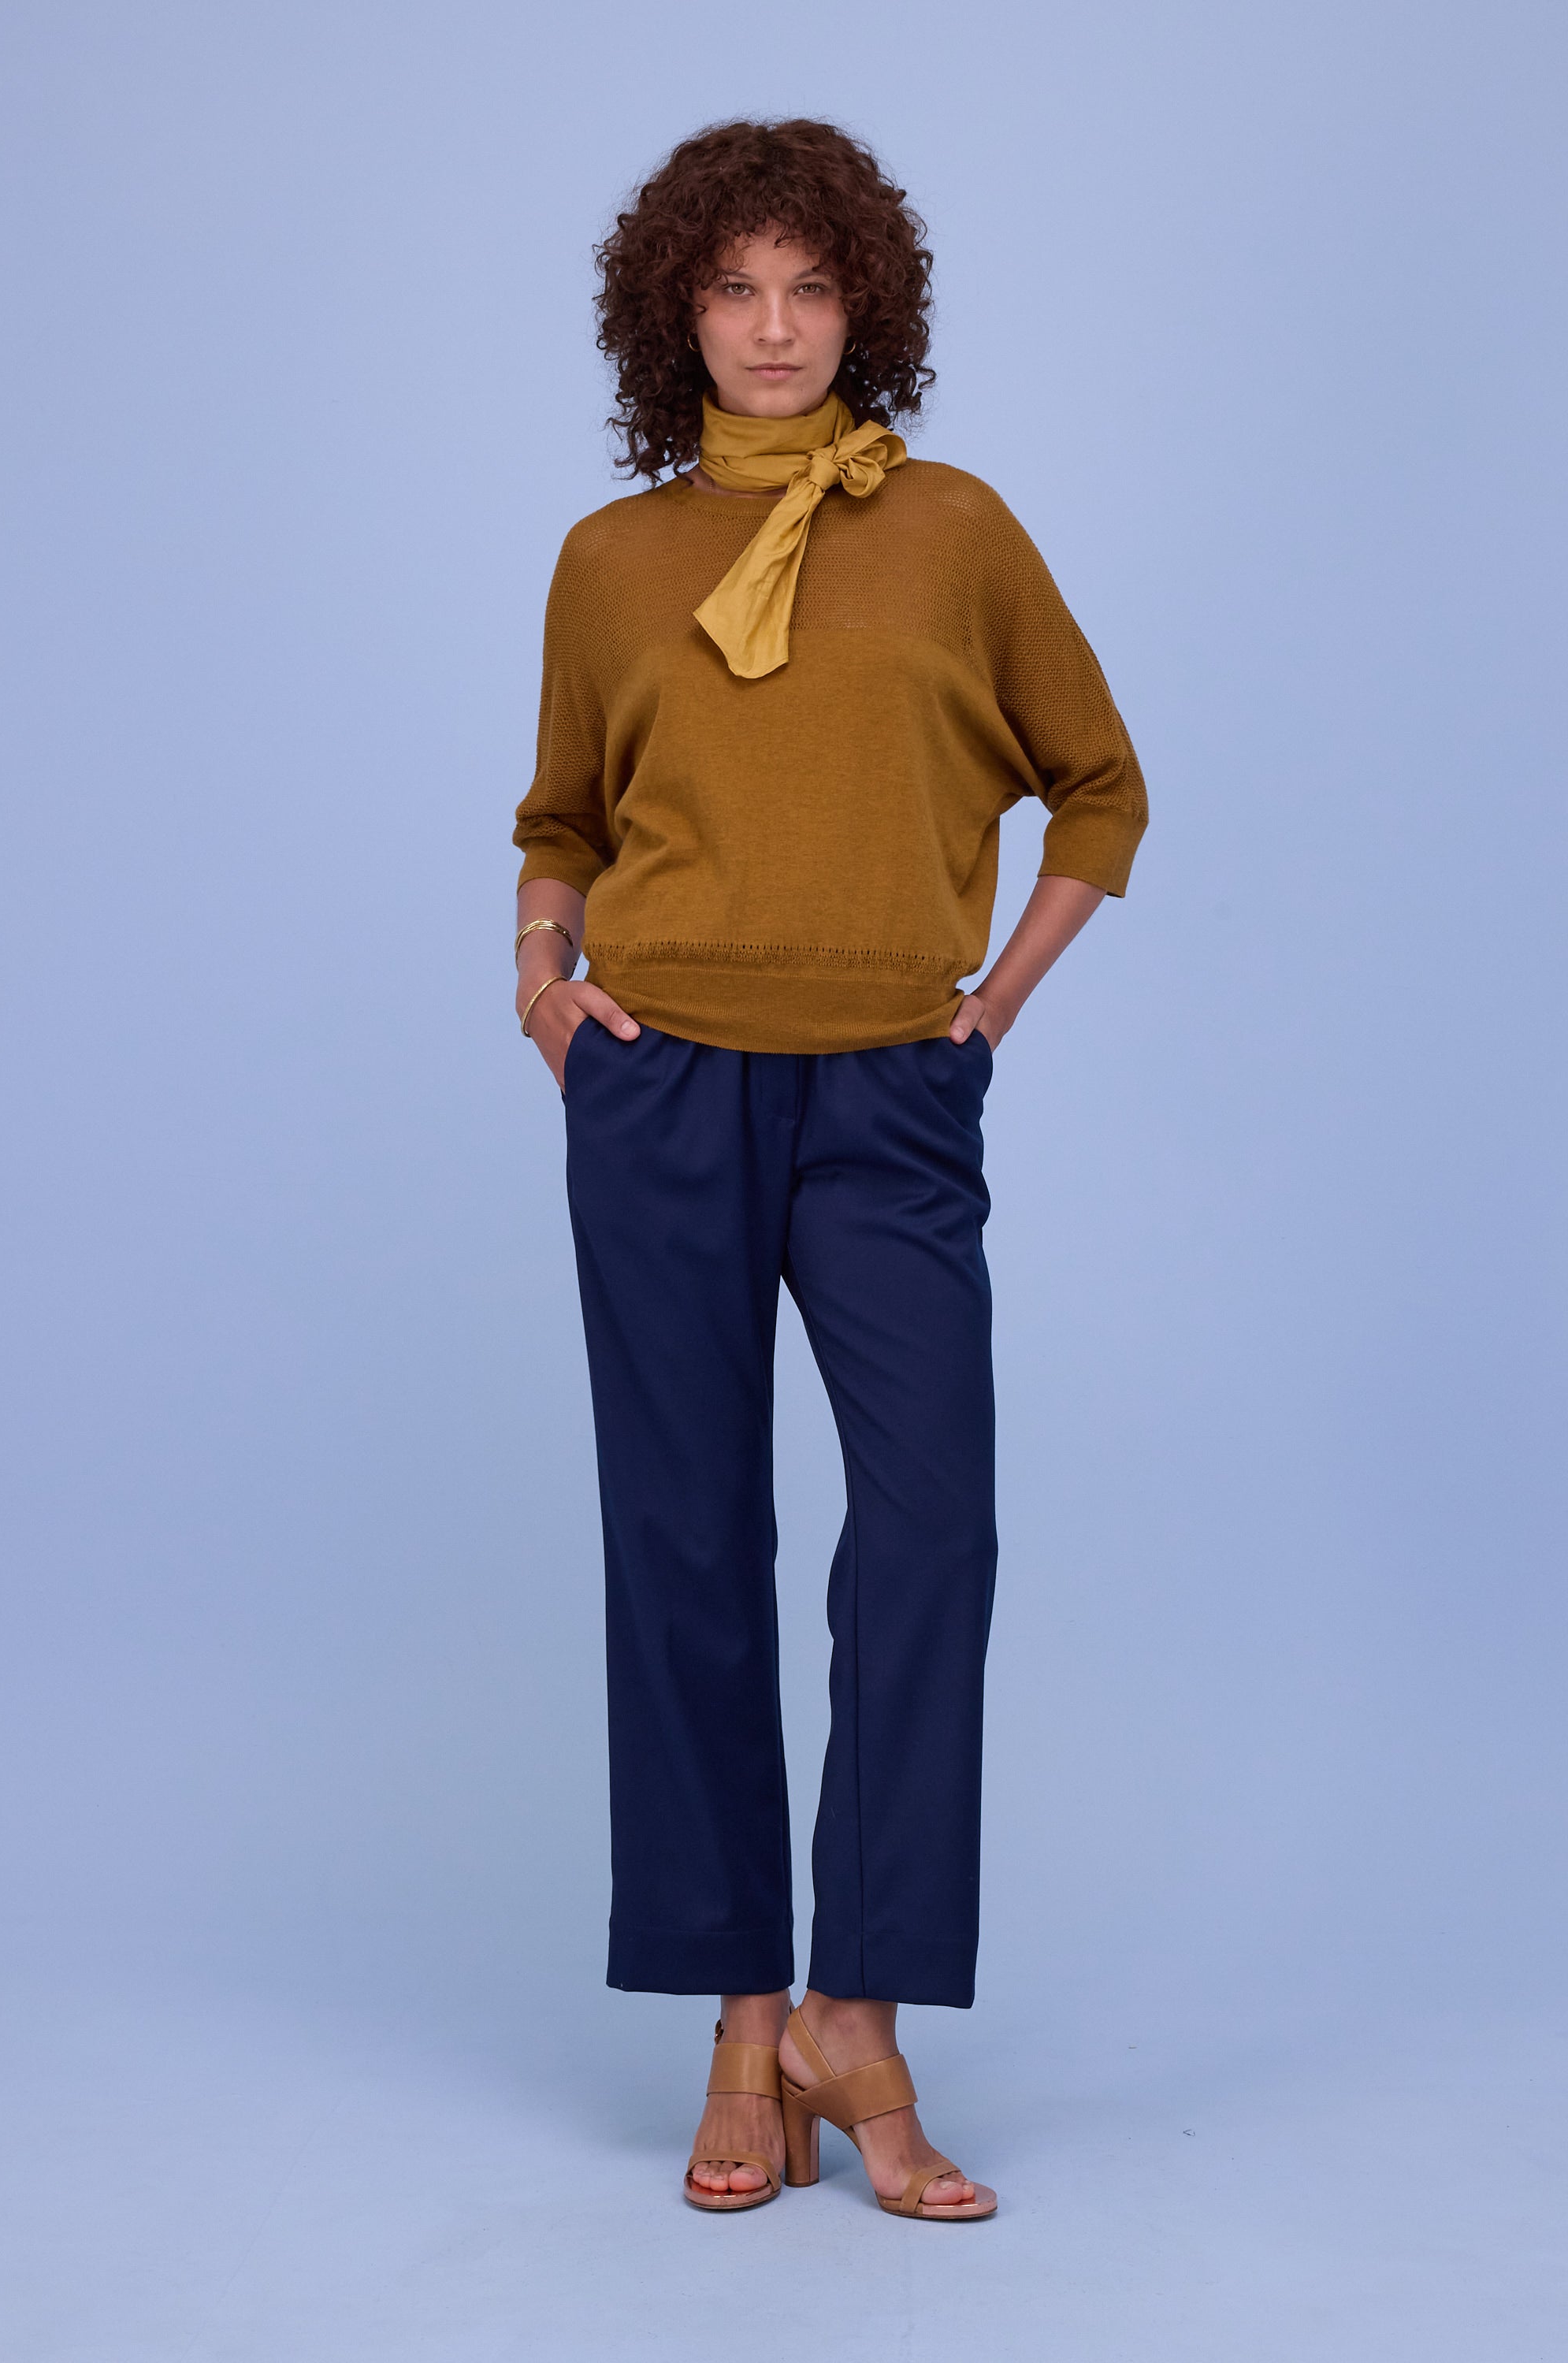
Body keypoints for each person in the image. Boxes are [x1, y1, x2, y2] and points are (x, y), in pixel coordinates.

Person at [512, 117, 1146, 2220]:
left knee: (933, 1530)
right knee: (688, 1542)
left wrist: (995, 1006)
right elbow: (562, 816)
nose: (774, 330)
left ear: (865, 305)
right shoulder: (612, 559)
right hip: (663, 1090)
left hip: (889, 1092)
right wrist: (541, 977)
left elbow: (1100, 785)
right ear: (675, 314)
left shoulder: (954, 530)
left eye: (809, 289)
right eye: (734, 291)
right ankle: (736, 2017)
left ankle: (851, 2019)